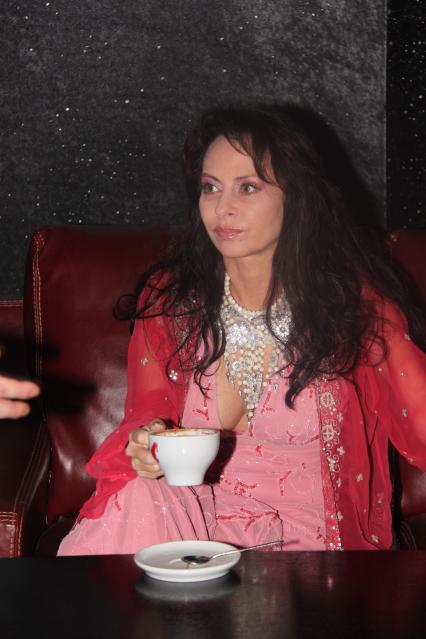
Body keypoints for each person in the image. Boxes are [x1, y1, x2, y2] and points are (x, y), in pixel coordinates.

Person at [58, 104, 426, 555]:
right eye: (210, 187)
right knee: (138, 495)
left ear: (296, 198)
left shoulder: (353, 309)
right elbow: (147, 412)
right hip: (192, 521)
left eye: (247, 187)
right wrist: (144, 442)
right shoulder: (171, 302)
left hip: (305, 546)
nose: (222, 208)